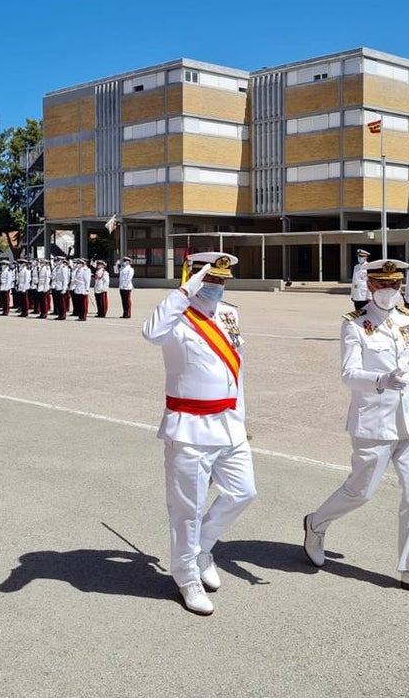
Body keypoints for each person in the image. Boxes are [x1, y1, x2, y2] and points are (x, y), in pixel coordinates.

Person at [302, 258, 409, 600]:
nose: (389, 291)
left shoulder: (407, 320)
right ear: (369, 286)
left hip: (408, 420)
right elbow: (348, 374)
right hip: (373, 420)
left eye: (394, 286)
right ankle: (316, 524)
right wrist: (381, 381)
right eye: (382, 285)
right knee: (361, 492)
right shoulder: (355, 324)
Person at [142, 252, 255, 616]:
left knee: (243, 492)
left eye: (223, 281)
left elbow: (236, 374)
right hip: (189, 429)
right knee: (187, 510)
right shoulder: (176, 318)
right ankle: (186, 576)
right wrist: (183, 292)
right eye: (212, 280)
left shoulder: (229, 314)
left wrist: (241, 418)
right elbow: (150, 332)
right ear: (195, 280)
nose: (218, 288)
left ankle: (203, 547)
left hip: (228, 424)